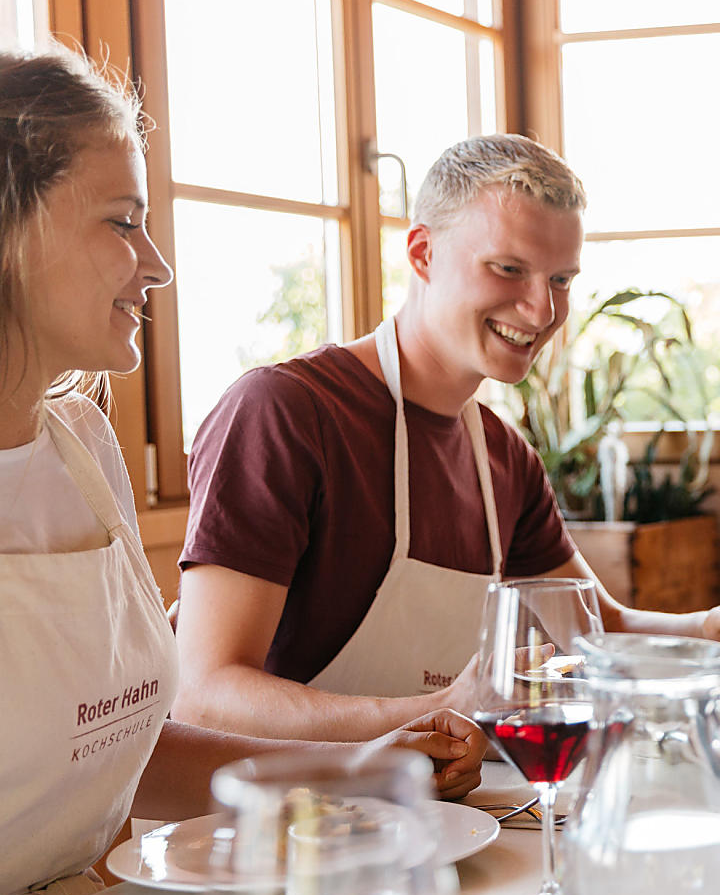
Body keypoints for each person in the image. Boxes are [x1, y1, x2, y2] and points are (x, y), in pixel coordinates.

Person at [0, 46, 483, 895]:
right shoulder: (280, 409)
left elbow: (114, 751)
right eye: (122, 222)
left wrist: (367, 766)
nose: (156, 263)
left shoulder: (81, 448)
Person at [175, 132, 720, 742]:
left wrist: (706, 629)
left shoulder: (504, 456)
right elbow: (203, 695)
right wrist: (441, 710)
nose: (542, 311)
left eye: (561, 279)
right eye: (509, 269)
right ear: (423, 253)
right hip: (290, 824)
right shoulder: (285, 413)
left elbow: (591, 628)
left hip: (436, 817)